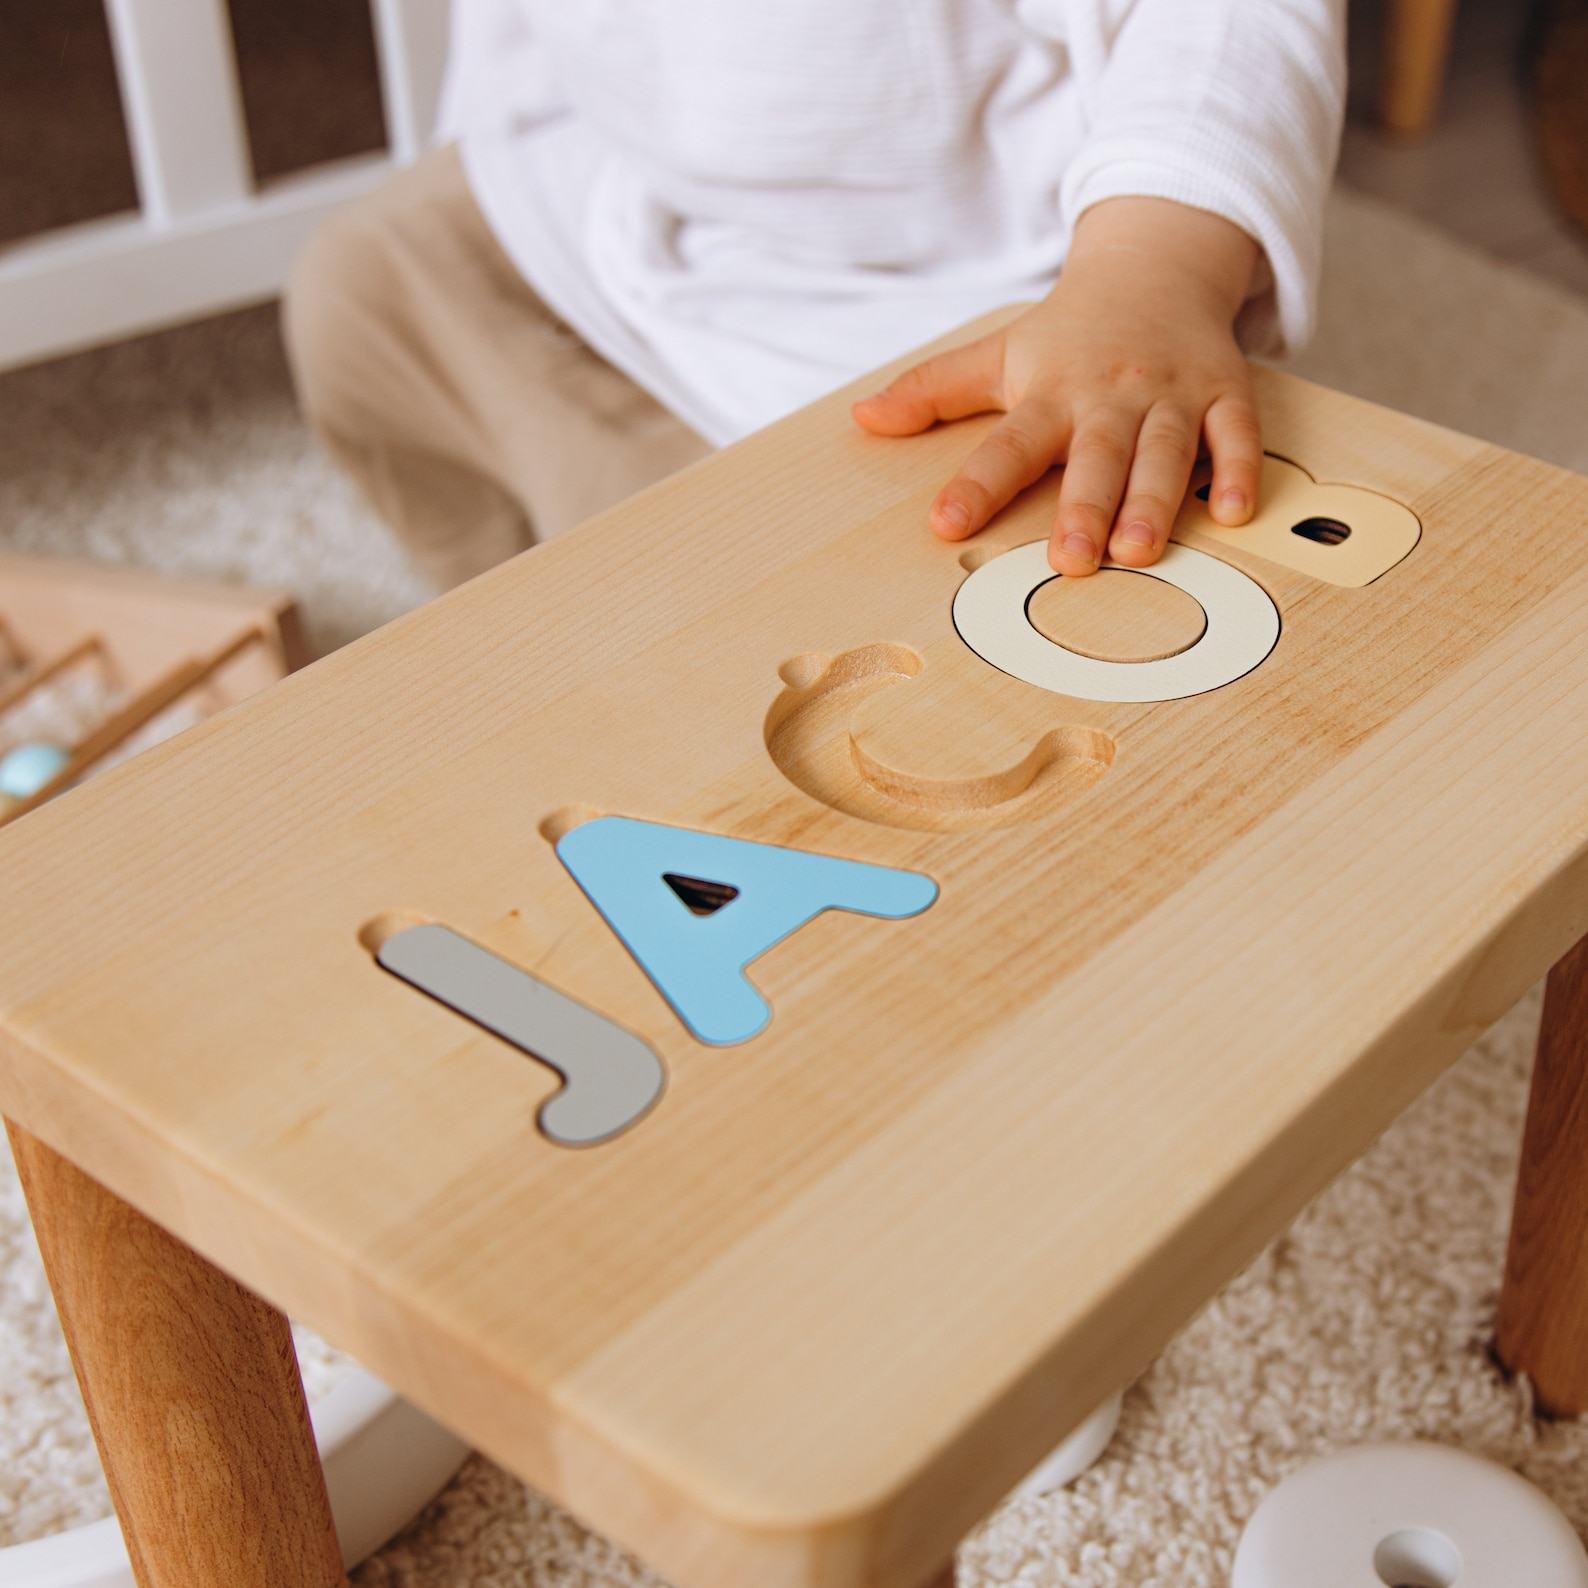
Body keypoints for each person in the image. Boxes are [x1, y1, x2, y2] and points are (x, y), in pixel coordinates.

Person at [284, 1, 1346, 592]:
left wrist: (1147, 272)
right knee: (360, 290)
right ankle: (500, 628)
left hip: (970, 312)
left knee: (782, 607)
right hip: (615, 202)